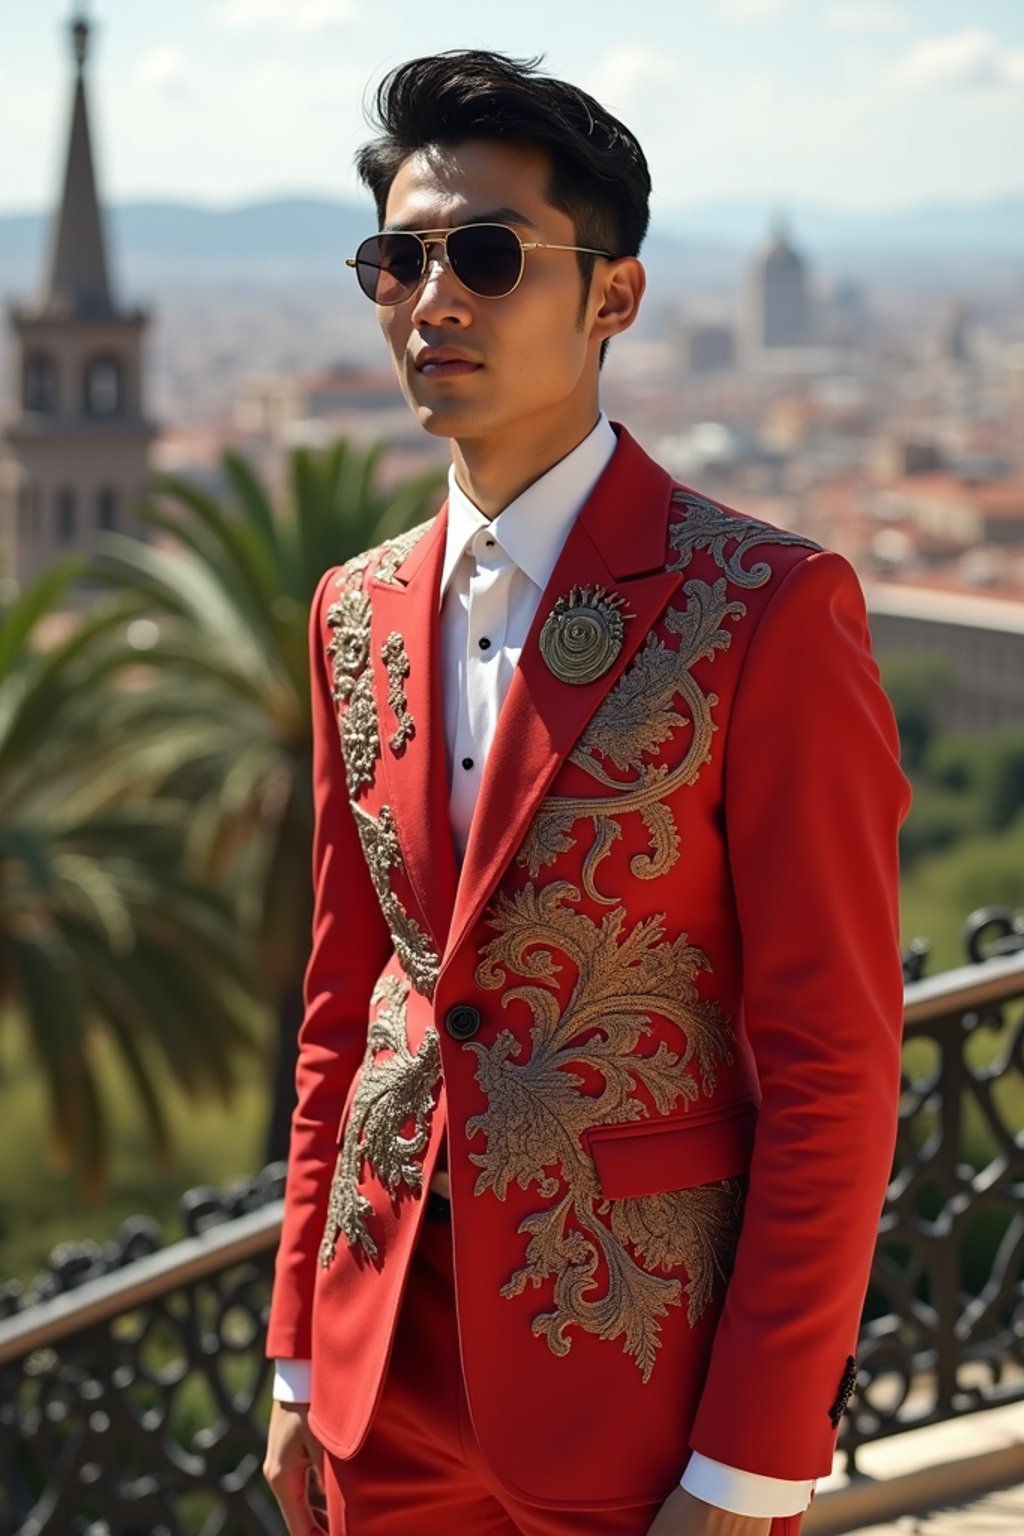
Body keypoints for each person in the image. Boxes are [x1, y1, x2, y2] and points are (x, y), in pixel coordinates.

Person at [262, 49, 909, 1536]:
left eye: (487, 255)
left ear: (612, 296)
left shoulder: (767, 607)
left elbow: (833, 1063)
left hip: (642, 1389)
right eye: (398, 261)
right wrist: (301, 1348)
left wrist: (751, 1460)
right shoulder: (350, 614)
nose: (435, 302)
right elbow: (342, 1004)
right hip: (383, 1397)